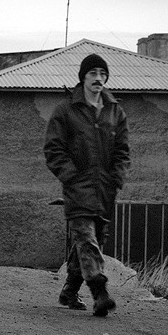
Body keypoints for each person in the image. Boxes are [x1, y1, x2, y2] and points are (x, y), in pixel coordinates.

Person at [44, 53, 130, 317]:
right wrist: (70, 176)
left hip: (104, 189)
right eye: (93, 73)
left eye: (102, 74)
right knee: (86, 239)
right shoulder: (66, 110)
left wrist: (117, 177)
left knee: (90, 242)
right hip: (78, 187)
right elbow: (53, 148)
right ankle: (100, 292)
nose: (98, 78)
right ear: (83, 77)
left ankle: (70, 291)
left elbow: (122, 151)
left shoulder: (115, 111)